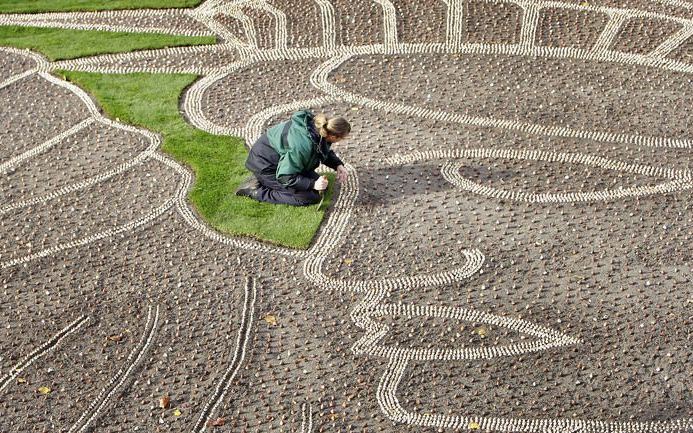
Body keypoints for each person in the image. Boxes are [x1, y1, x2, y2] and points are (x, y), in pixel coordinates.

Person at [235, 110, 350, 206]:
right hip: (265, 165)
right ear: (333, 136)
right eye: (342, 138)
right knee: (310, 198)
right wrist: (312, 184)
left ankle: (261, 181)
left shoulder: (319, 129)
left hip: (280, 161)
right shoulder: (303, 147)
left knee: (321, 187)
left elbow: (322, 150)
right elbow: (285, 177)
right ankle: (255, 190)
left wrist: (338, 165)